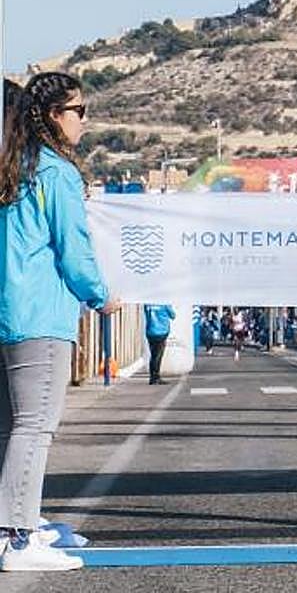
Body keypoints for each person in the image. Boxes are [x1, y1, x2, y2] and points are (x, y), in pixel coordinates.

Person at [0, 71, 121, 572]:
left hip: (7, 314)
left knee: (10, 428)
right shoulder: (57, 173)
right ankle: (17, 538)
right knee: (34, 427)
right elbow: (74, 249)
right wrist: (101, 296)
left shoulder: (13, 168)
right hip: (40, 315)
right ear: (54, 116)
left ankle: (17, 522)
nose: (84, 121)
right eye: (79, 111)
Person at [143, 304, 175, 385]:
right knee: (158, 356)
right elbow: (173, 315)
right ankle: (155, 377)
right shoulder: (165, 304)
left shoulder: (147, 304)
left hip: (150, 332)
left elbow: (146, 313)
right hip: (162, 332)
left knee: (153, 355)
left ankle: (153, 377)